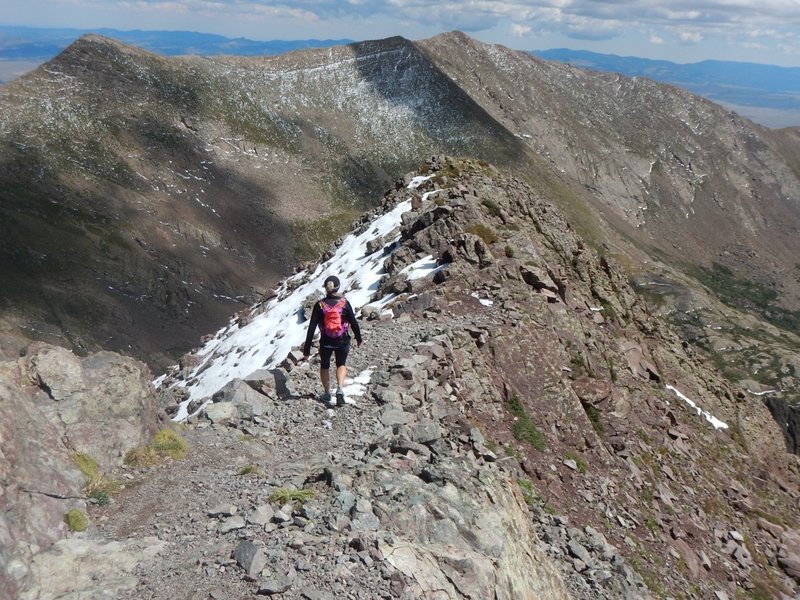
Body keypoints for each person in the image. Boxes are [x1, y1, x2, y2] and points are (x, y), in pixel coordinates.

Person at [302, 275, 362, 407]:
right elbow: (353, 322)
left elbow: (311, 328)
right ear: (338, 287)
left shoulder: (319, 305)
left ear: (325, 288)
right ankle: (340, 388)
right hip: (342, 340)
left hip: (325, 341)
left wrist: (306, 349)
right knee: (341, 363)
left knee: (325, 365)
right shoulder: (344, 303)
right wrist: (358, 338)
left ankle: (327, 393)